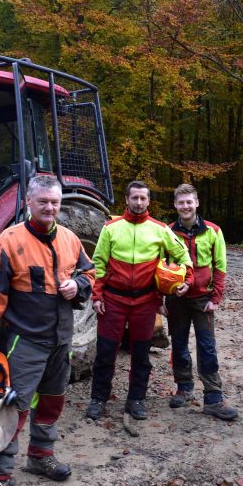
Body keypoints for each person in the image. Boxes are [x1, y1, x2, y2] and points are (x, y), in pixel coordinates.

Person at [0, 175, 96, 486]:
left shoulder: (70, 239)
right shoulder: (9, 240)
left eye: (55, 203)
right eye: (44, 202)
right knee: (11, 408)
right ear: (29, 202)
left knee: (52, 403)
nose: (50, 208)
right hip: (26, 340)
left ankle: (40, 457)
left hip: (61, 339)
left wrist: (78, 286)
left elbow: (90, 272)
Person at [85, 180, 194, 421]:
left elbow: (182, 256)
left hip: (145, 302)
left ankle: (136, 400)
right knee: (105, 352)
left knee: (141, 354)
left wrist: (186, 279)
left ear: (148, 201)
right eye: (134, 198)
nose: (138, 202)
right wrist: (97, 295)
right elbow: (99, 263)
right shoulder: (111, 228)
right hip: (113, 299)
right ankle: (98, 399)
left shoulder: (160, 229)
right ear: (127, 199)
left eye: (143, 198)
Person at [164, 183, 237, 420]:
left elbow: (221, 266)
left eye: (189, 202)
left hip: (203, 299)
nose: (185, 206)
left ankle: (213, 397)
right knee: (179, 344)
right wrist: (159, 299)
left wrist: (216, 297)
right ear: (175, 205)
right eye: (181, 202)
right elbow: (158, 266)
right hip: (176, 298)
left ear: (196, 203)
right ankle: (184, 388)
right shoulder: (167, 232)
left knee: (207, 346)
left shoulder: (213, 231)